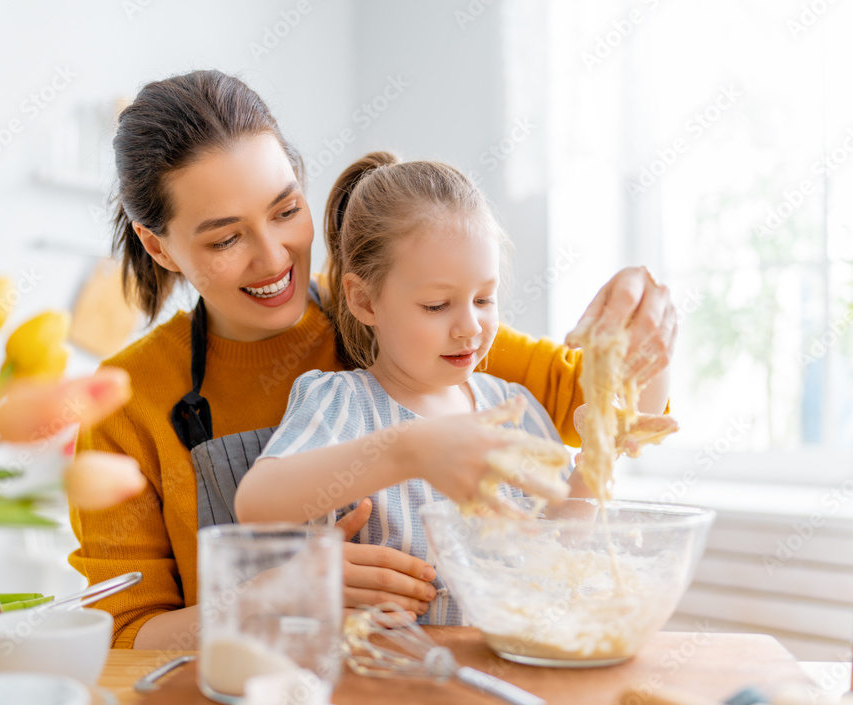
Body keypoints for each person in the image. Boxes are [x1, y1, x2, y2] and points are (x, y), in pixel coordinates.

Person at [69, 69, 675, 650]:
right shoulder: (126, 400)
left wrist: (642, 321)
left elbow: (607, 409)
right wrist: (280, 593)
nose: (275, 257)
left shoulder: (408, 315)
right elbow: (124, 637)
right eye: (226, 238)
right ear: (159, 246)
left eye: (286, 210)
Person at [235, 152, 596, 625]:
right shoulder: (345, 404)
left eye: (484, 298)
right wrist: (408, 448)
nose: (470, 327)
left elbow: (560, 544)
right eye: (436, 305)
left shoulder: (513, 409)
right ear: (364, 300)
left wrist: (595, 461)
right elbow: (257, 504)